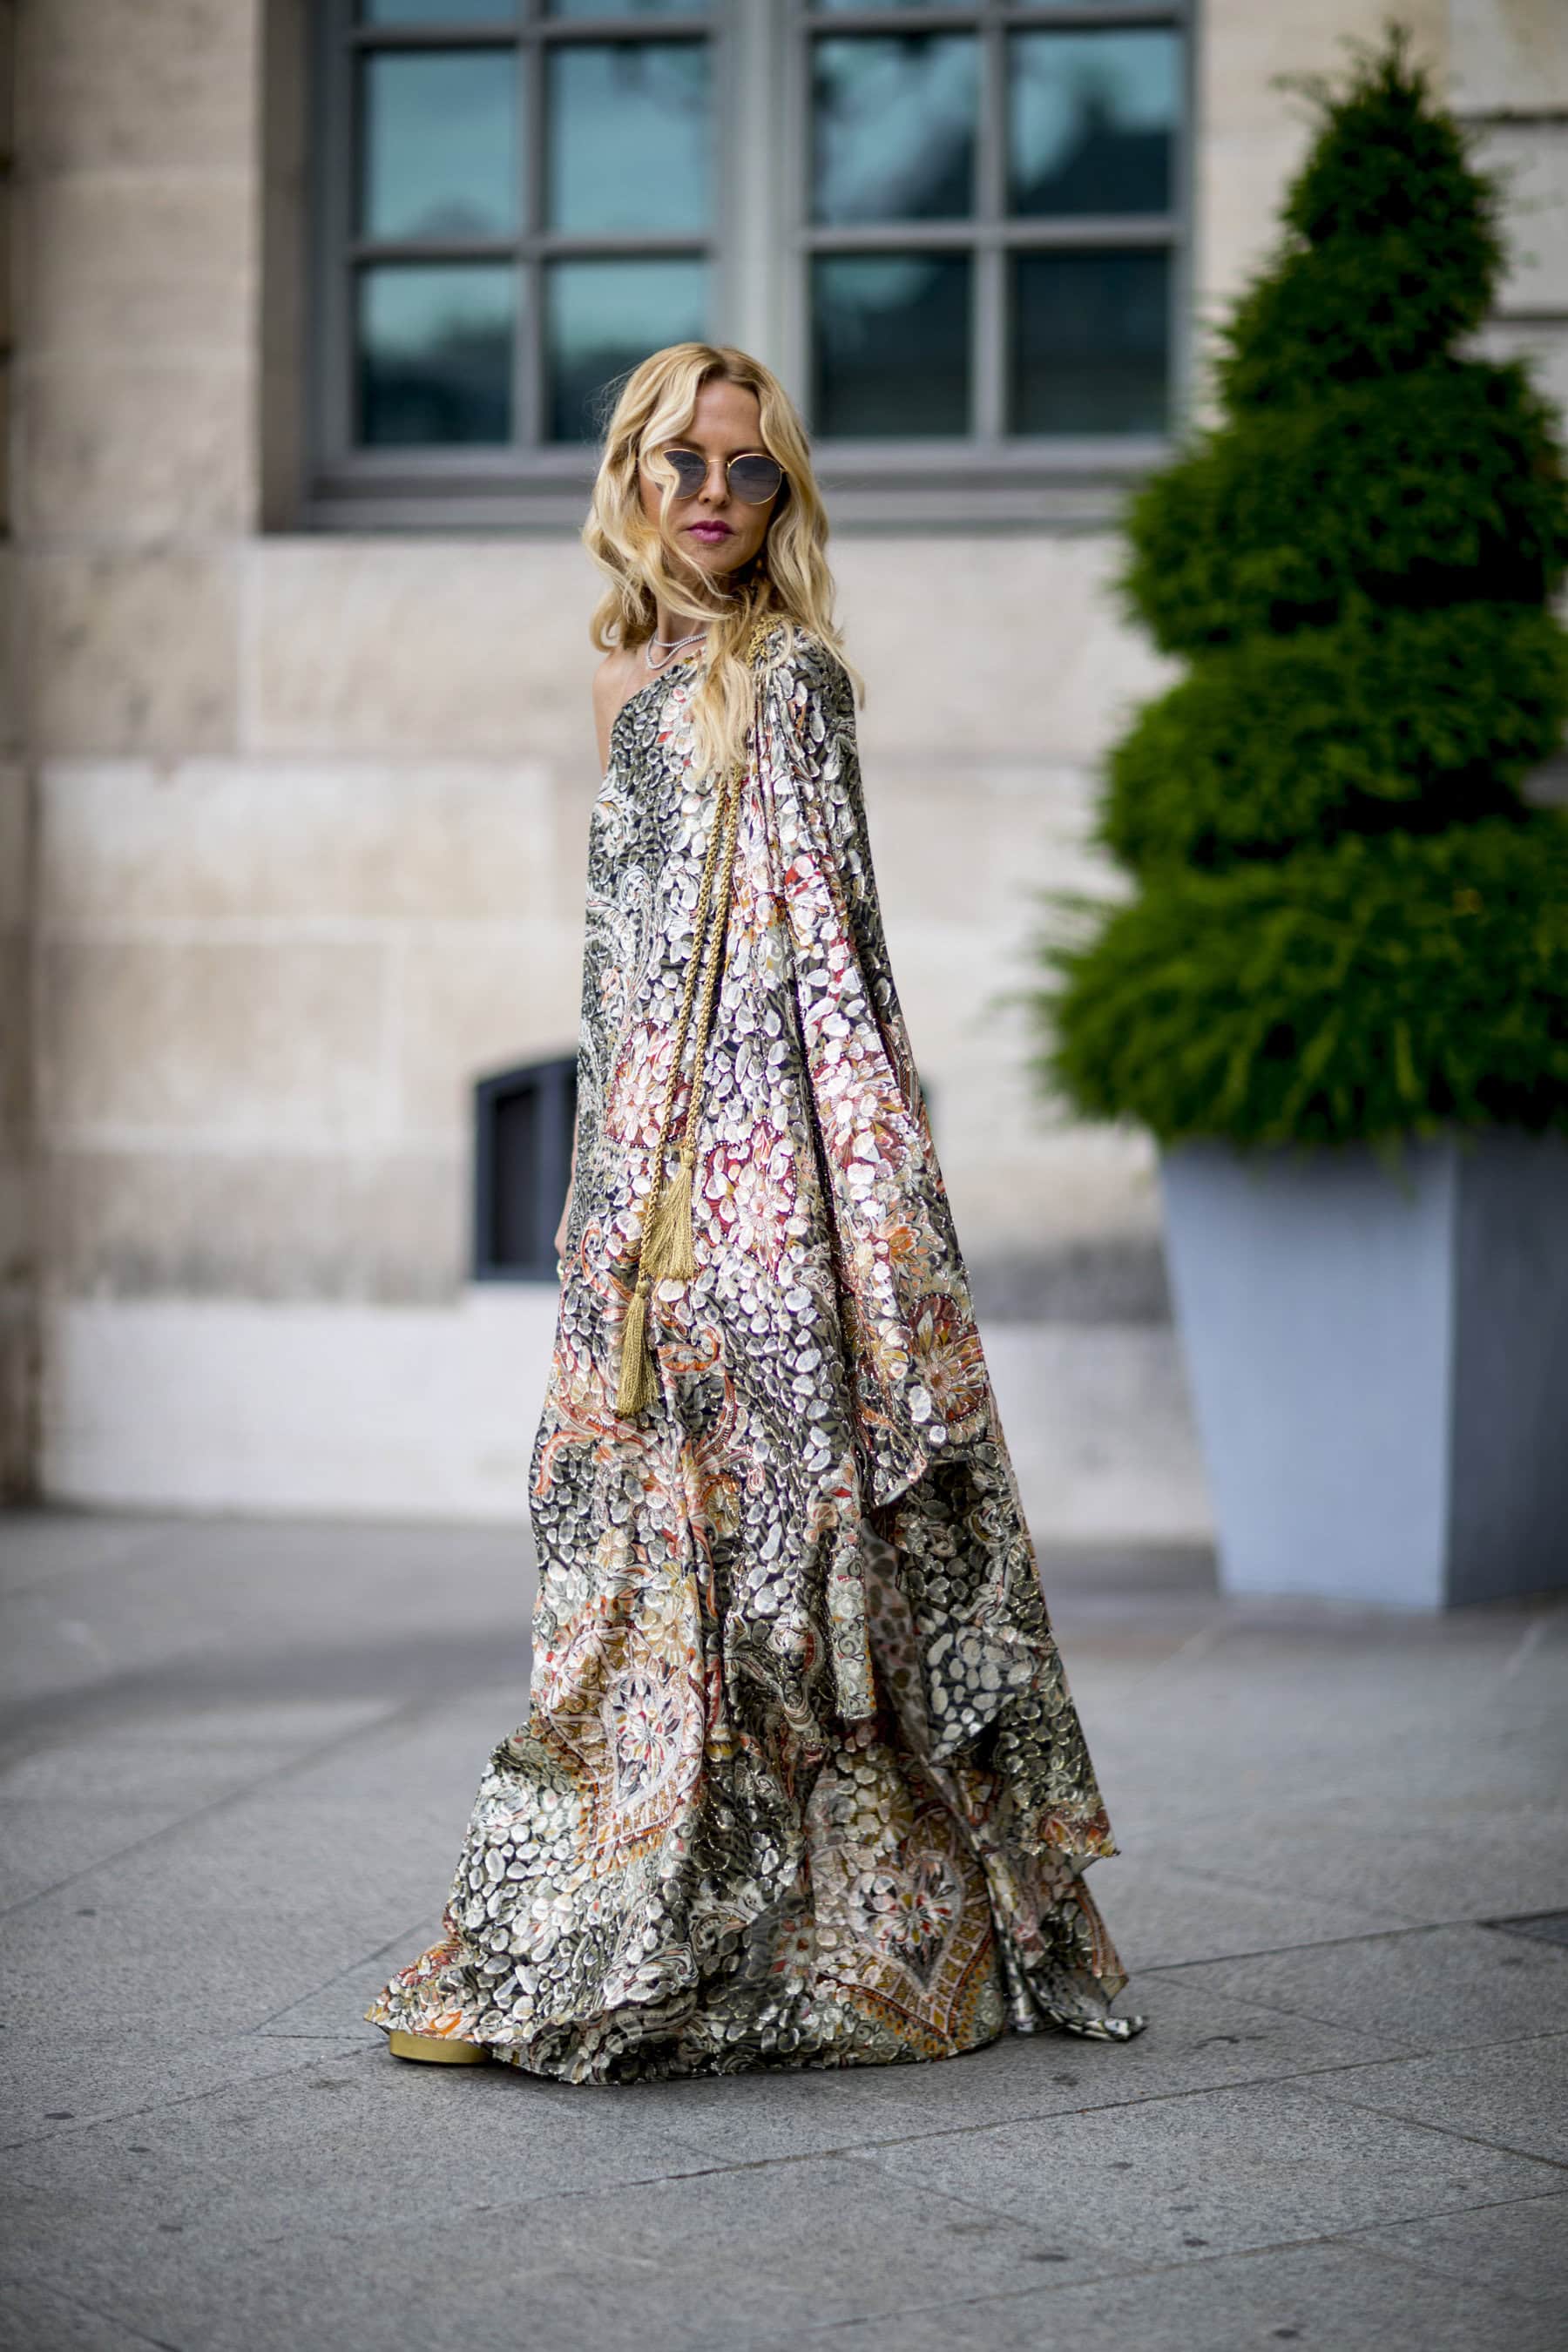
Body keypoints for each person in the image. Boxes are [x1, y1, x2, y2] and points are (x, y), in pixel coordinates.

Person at [365, 342, 1148, 2082]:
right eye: (686, 462)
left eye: (751, 469)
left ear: (783, 494)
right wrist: (602, 1195)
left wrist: (855, 1219)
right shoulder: (616, 673)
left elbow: (840, 967)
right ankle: (622, 1911)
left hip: (772, 1192)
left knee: (783, 1545)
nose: (716, 495)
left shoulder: (790, 676)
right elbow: (619, 967)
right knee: (636, 1555)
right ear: (632, 475)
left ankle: (830, 1943)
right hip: (641, 1186)